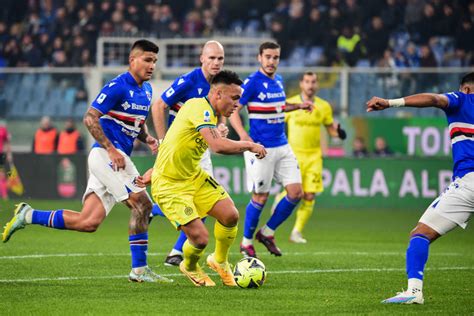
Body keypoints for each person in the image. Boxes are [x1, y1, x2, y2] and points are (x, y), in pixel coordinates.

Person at [2, 39, 172, 283]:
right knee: (142, 205)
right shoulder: (116, 86)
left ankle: (28, 215)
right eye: (147, 60)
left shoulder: (146, 90)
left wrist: (149, 139)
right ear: (132, 60)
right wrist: (111, 149)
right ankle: (139, 270)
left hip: (116, 158)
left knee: (88, 222)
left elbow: (136, 122)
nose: (152, 65)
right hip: (107, 157)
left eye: (154, 61)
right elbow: (90, 118)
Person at [141, 70, 266, 286]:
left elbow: (177, 142)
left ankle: (219, 261)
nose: (238, 104)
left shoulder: (209, 112)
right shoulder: (199, 107)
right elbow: (217, 146)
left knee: (230, 215)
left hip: (192, 176)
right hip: (170, 185)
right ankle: (188, 265)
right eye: (234, 98)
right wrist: (249, 144)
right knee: (200, 238)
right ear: (218, 94)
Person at [366, 72, 474, 304]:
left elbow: (435, 99)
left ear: (465, 89)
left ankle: (414, 292)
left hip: (469, 182)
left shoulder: (464, 99)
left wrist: (391, 102)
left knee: (420, 234)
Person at [229, 41, 313, 258]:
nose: (271, 61)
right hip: (260, 148)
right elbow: (233, 110)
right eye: (267, 56)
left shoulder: (279, 80)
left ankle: (267, 232)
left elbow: (280, 106)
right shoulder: (252, 82)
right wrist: (244, 137)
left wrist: (299, 106)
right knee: (260, 197)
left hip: (282, 145)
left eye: (275, 57)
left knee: (296, 193)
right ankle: (246, 243)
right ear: (259, 57)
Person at [150, 40, 226, 267]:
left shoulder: (219, 85)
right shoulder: (190, 80)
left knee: (201, 202)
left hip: (200, 149)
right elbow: (159, 106)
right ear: (202, 58)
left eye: (220, 59)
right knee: (203, 201)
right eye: (211, 58)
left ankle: (176, 251)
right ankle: (155, 213)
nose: (216, 62)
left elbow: (220, 110)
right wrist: (163, 141)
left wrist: (220, 126)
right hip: (182, 148)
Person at [272, 71, 346, 244]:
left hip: (314, 156)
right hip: (293, 155)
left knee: (310, 195)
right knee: (295, 192)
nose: (310, 85)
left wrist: (340, 134)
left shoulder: (324, 106)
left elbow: (330, 129)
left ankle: (296, 232)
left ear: (317, 85)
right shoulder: (291, 103)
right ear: (301, 84)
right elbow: (277, 124)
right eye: (307, 81)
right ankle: (279, 198)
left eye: (313, 82)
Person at [0, 117, 12, 200]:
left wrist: (9, 154)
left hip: (1, 155)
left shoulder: (3, 130)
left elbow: (7, 142)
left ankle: (4, 195)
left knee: (2, 175)